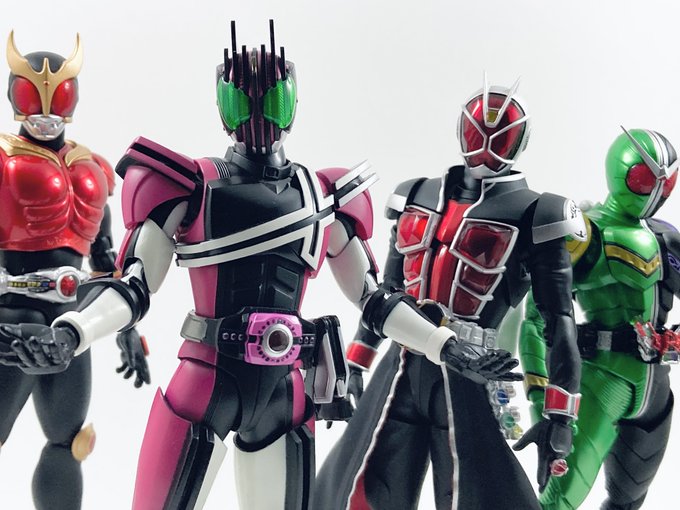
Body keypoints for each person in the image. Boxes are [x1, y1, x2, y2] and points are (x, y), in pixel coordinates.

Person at [0, 24, 518, 510]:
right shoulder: (189, 185)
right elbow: (132, 288)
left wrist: (446, 346)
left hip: (284, 388)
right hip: (206, 381)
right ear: (223, 105)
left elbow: (375, 300)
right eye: (242, 101)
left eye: (271, 101)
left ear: (290, 103)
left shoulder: (323, 195)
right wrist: (72, 331)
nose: (258, 117)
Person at [317, 77, 585, 510]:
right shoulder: (415, 194)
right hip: (402, 360)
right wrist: (355, 364)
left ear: (519, 141)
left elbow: (559, 321)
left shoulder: (538, 212)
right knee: (363, 487)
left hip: (470, 368)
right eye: (478, 133)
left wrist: (560, 416)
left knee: (473, 495)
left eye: (500, 136)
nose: (486, 146)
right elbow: (382, 296)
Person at [0, 32, 149, 510]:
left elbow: (106, 263)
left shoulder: (92, 169)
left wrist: (127, 329)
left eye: (57, 100)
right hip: (12, 318)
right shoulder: (4, 161)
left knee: (69, 441)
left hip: (72, 324)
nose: (45, 113)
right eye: (33, 99)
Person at [520, 127, 679, 510]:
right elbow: (535, 319)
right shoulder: (583, 234)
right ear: (621, 173)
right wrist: (543, 398)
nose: (655, 193)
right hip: (600, 384)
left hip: (655, 393)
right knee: (557, 500)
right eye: (645, 180)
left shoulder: (666, 238)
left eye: (666, 183)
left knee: (628, 500)